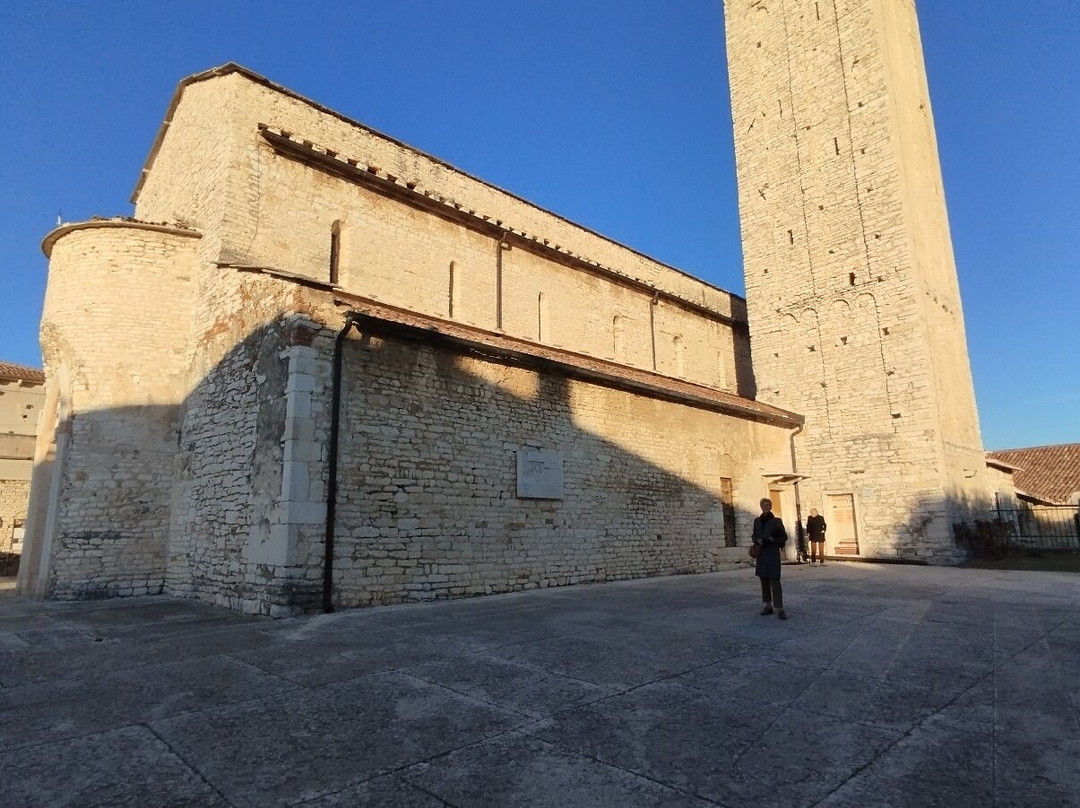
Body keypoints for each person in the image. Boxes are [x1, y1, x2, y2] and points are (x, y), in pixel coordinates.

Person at [752, 497, 788, 619]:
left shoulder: (777, 521)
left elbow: (784, 537)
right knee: (764, 580)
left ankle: (780, 608)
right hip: (762, 553)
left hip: (772, 552)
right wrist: (757, 540)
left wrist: (774, 539)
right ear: (761, 507)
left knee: (775, 580)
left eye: (767, 505)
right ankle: (768, 605)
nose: (765, 507)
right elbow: (754, 535)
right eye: (763, 505)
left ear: (770, 506)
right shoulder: (757, 521)